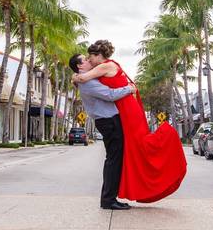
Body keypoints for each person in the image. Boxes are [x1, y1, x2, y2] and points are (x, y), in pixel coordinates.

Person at [73, 40, 187, 204]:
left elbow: (83, 78)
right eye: (85, 59)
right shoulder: (103, 67)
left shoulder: (105, 66)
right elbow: (89, 81)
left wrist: (75, 76)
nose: (89, 60)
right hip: (123, 109)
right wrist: (75, 75)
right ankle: (115, 195)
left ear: (98, 55)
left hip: (127, 110)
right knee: (131, 150)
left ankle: (165, 151)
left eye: (90, 57)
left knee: (137, 146)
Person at [69, 53, 136, 211]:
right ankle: (108, 200)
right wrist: (129, 88)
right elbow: (110, 95)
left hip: (107, 120)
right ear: (80, 66)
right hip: (108, 121)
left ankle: (110, 197)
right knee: (114, 159)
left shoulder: (85, 78)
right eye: (85, 60)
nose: (88, 60)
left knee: (114, 159)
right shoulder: (88, 82)